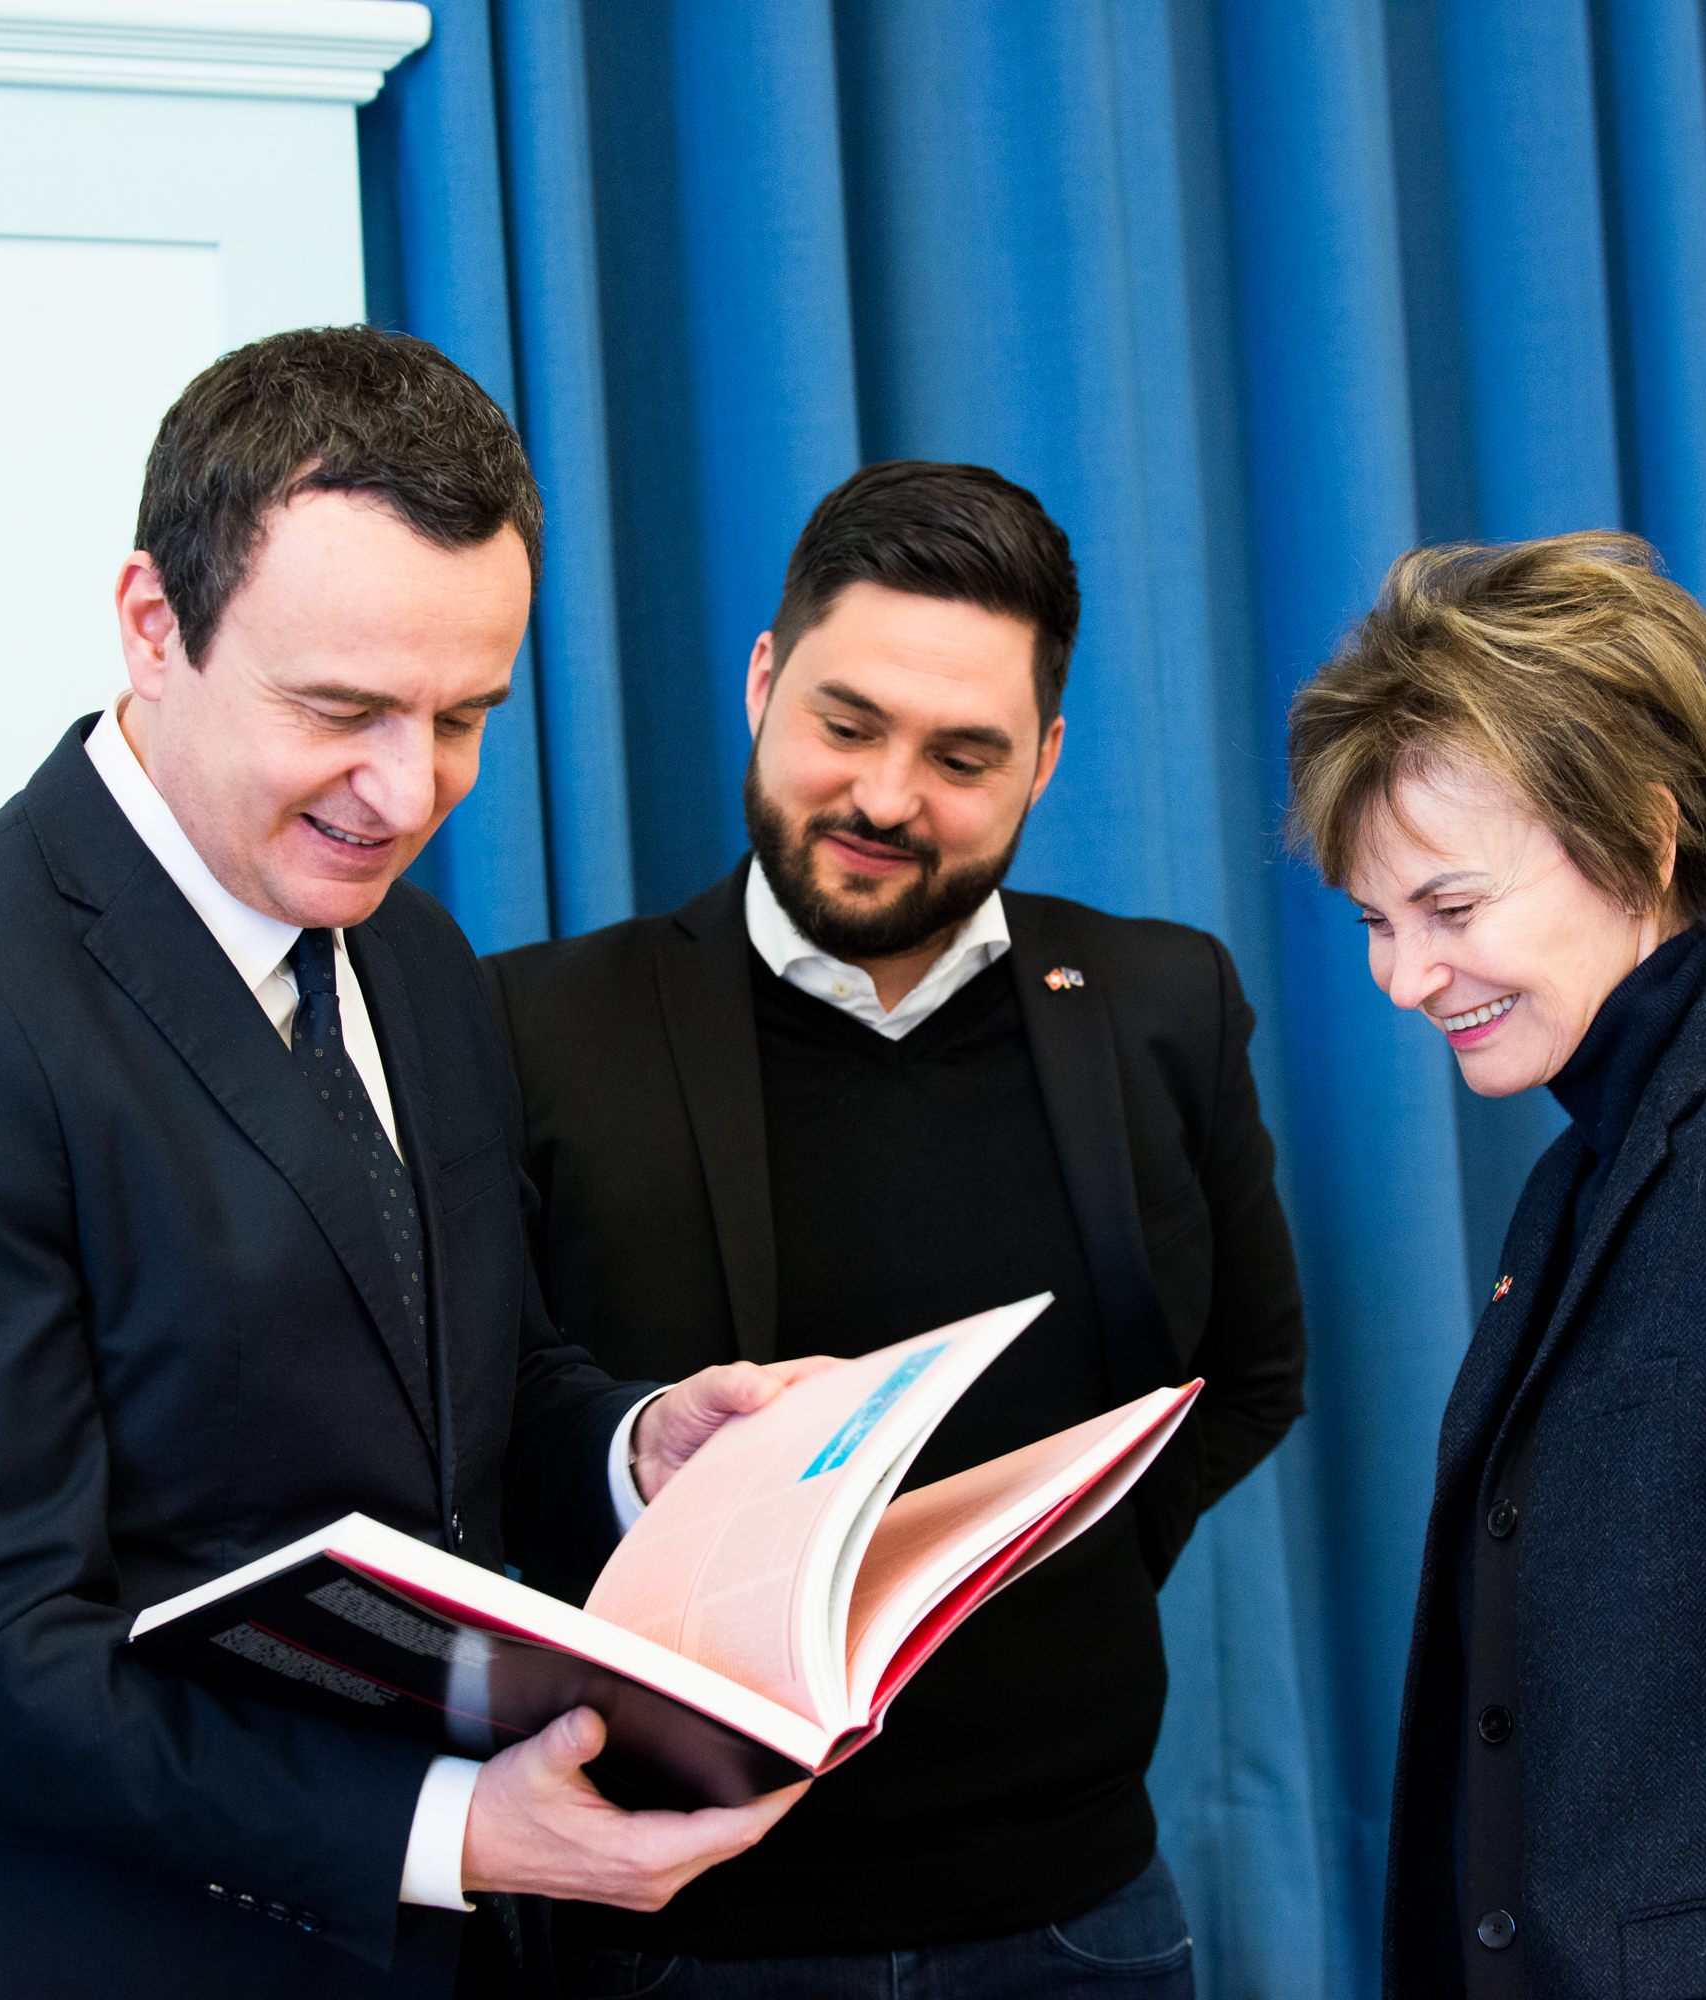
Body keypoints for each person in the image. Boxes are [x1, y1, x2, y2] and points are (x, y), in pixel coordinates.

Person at [0, 327, 813, 2000]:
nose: (409, 791)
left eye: (464, 717)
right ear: (153, 625)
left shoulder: (410, 954)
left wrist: (639, 1445)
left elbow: (456, 1388)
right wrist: (450, 1830)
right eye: (340, 710)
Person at [484, 460, 1309, 1998]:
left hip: (1081, 1919)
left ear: (1048, 760)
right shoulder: (529, 1027)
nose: (883, 798)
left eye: (963, 755)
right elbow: (480, 1426)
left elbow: (1251, 1373)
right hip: (682, 1933)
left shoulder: (1160, 1004)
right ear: (762, 681)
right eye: (846, 724)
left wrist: (1052, 1579)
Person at [1286, 532, 1706, 1997]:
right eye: (1377, 925)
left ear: (1644, 838)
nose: (1401, 976)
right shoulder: (1585, 1174)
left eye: (1450, 910)